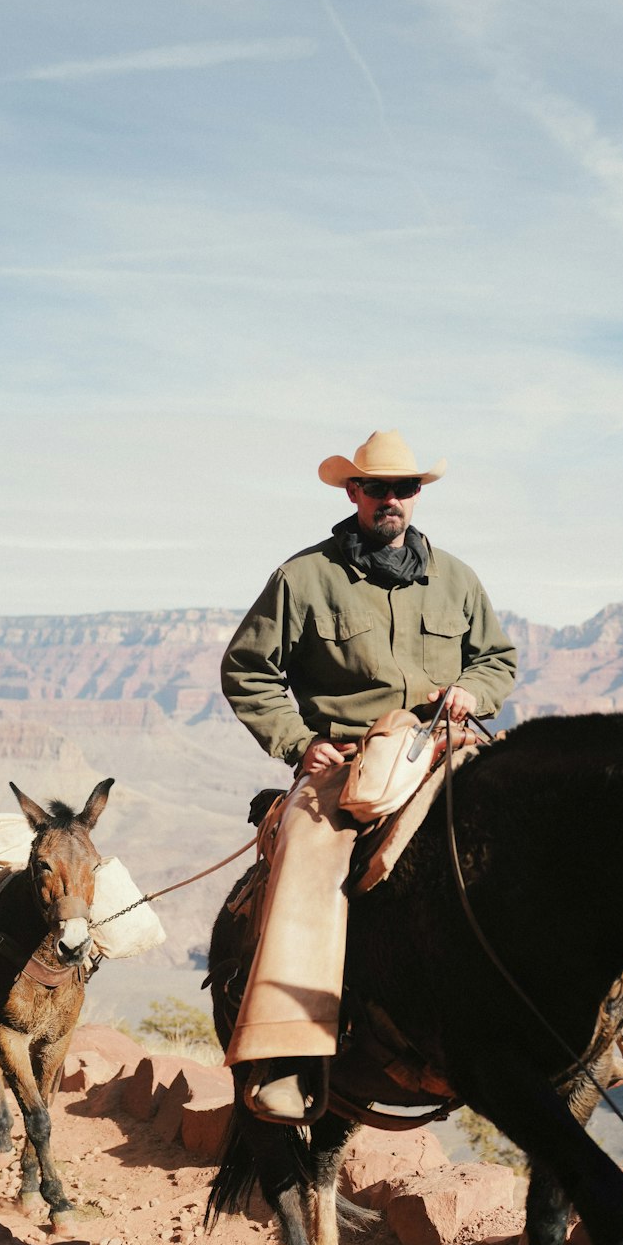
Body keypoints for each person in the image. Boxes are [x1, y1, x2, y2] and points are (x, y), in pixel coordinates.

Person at [220, 429, 518, 1119]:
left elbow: (497, 658)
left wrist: (474, 688)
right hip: (350, 761)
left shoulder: (457, 578)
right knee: (305, 854)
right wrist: (299, 742)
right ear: (352, 492)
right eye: (377, 487)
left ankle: (599, 1028)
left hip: (443, 746)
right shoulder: (304, 578)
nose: (391, 499)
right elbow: (246, 670)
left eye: (404, 488)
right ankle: (288, 1052)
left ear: (419, 495)